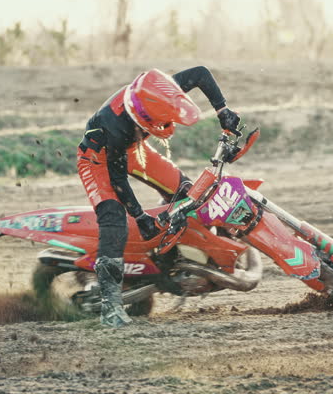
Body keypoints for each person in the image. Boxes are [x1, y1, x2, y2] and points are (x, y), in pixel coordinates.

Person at [76, 66, 240, 327]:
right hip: (98, 159)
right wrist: (140, 217)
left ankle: (172, 256)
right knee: (114, 218)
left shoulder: (157, 91)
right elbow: (118, 181)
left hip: (132, 147)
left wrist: (223, 111)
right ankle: (110, 306)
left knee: (188, 192)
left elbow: (200, 73)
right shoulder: (113, 126)